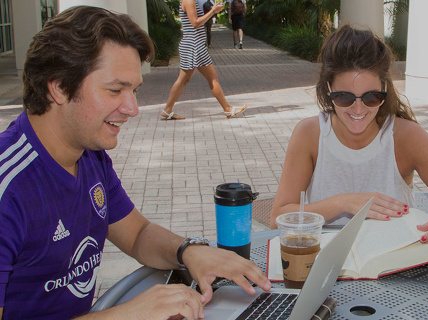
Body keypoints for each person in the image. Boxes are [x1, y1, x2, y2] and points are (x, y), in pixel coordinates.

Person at [0, 6, 271, 320]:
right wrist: (127, 314)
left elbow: (137, 233)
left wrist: (190, 251)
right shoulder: (9, 187)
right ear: (58, 86)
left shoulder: (89, 156)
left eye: (134, 91)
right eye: (116, 90)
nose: (132, 109)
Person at [270, 24, 428, 249]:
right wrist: (344, 202)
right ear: (328, 89)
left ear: (385, 89)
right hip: (324, 262)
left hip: (396, 261)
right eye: (344, 97)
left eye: (371, 97)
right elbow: (278, 218)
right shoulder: (309, 134)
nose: (358, 110)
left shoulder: (406, 136)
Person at [162, 0, 247, 120]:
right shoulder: (189, 1)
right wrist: (213, 11)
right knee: (212, 79)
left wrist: (213, 9)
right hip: (194, 45)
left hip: (194, 45)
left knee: (183, 80)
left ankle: (167, 110)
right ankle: (227, 109)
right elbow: (195, 23)